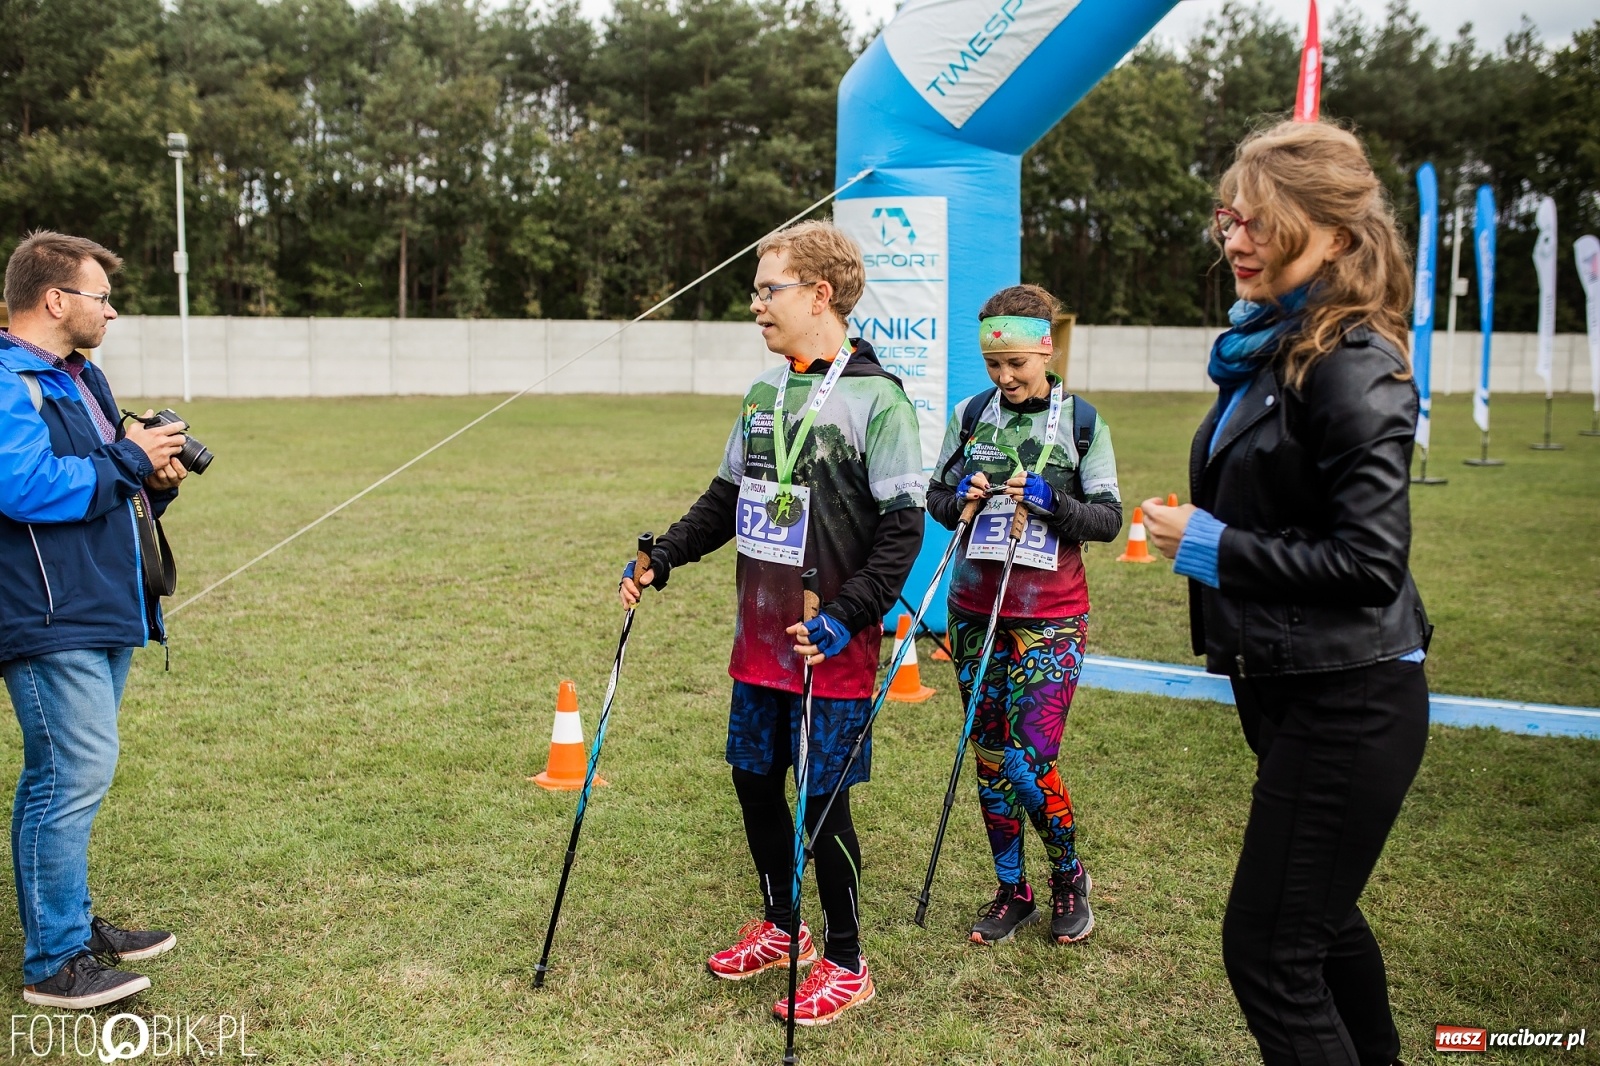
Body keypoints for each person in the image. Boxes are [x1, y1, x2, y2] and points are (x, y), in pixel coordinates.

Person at [1141, 121, 1431, 1066]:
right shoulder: (1273, 345)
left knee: (1270, 953)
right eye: (1230, 218)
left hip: (1350, 697)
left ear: (1336, 237)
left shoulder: (1353, 360)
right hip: (1291, 682)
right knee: (1320, 927)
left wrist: (1210, 544)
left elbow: (1369, 563)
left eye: (1262, 221)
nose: (1236, 239)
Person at [618, 220, 925, 1026]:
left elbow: (903, 532)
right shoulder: (763, 395)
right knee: (755, 781)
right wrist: (664, 555)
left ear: (819, 295)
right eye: (756, 291)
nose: (755, 305)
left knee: (823, 803)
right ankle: (785, 926)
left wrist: (848, 616)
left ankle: (848, 961)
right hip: (760, 643)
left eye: (768, 290)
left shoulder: (879, 399)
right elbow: (727, 499)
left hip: (829, 645)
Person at [0, 231, 192, 1009]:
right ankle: (55, 963)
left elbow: (108, 484)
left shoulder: (84, 377)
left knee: (62, 776)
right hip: (47, 612)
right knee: (71, 776)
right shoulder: (9, 379)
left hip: (103, 604)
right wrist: (129, 459)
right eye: (101, 297)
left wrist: (155, 479)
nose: (110, 312)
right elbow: (22, 485)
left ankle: (71, 926)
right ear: (55, 300)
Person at [926, 284, 1122, 947]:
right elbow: (936, 497)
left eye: (1016, 364)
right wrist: (960, 497)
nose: (1004, 377)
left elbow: (1108, 519)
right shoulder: (970, 415)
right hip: (974, 612)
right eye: (993, 364)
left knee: (1026, 762)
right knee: (988, 758)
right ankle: (1013, 889)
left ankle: (1069, 874)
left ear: (1045, 350)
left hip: (1051, 617)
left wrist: (1051, 502)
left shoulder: (1083, 422)